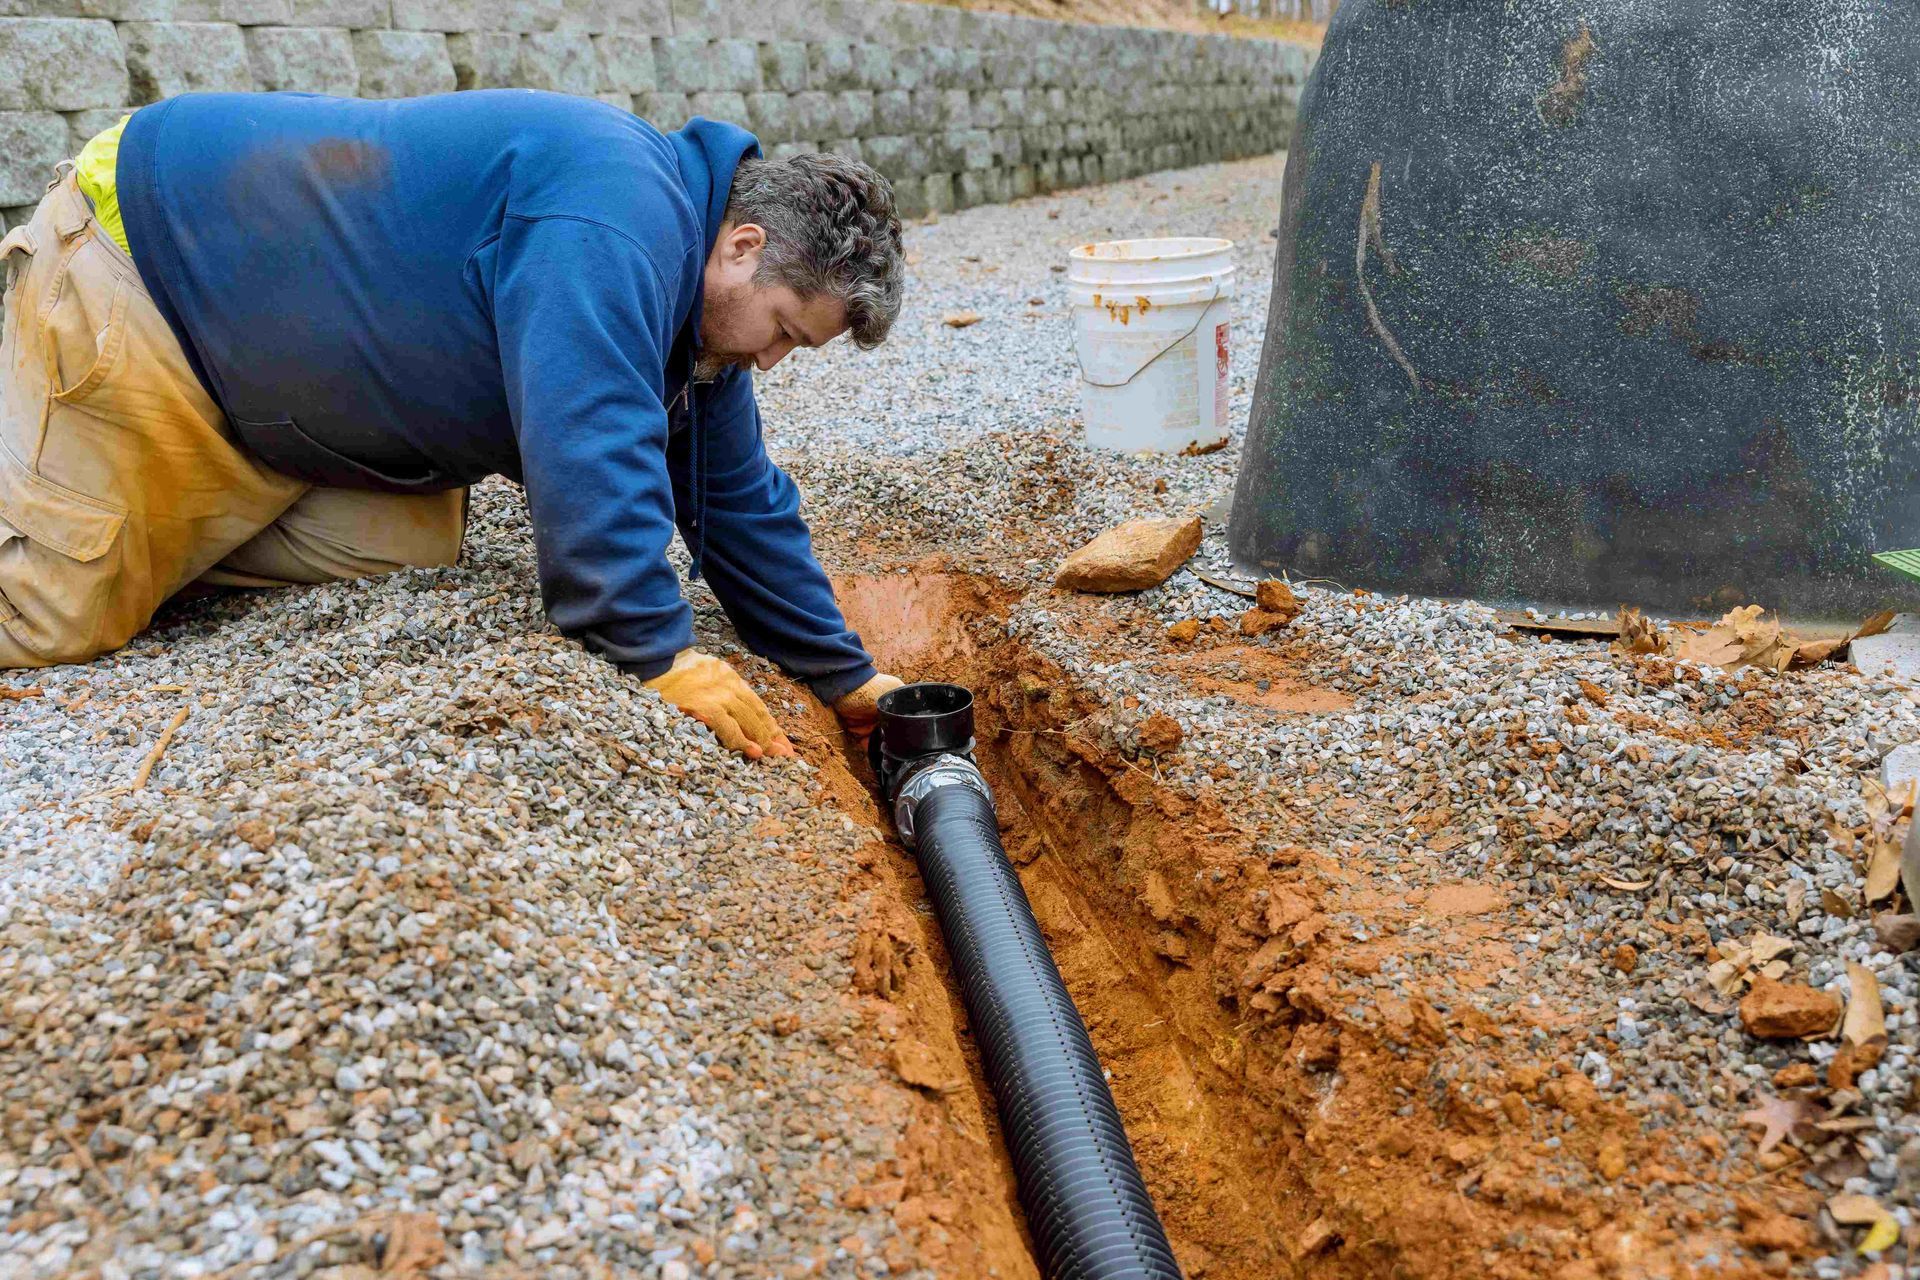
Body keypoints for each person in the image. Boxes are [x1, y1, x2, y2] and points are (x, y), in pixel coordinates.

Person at [0, 90, 906, 757]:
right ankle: (74, 500)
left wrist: (842, 674)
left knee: (405, 542)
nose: (773, 361)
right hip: (156, 279)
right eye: (784, 330)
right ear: (743, 246)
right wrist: (654, 653)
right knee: (57, 612)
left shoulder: (697, 311)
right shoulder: (617, 218)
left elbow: (732, 494)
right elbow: (591, 432)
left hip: (267, 379)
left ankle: (130, 513)